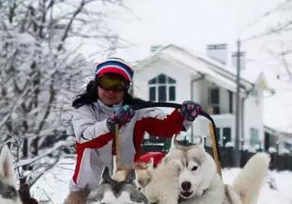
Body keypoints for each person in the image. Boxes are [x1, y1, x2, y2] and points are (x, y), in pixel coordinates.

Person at [69, 57, 202, 191]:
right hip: (86, 190)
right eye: (105, 83)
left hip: (125, 190)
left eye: (117, 86)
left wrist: (181, 116)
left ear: (126, 88)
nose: (110, 91)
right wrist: (110, 125)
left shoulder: (137, 111)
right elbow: (85, 138)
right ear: (97, 83)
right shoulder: (85, 109)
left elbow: (165, 125)